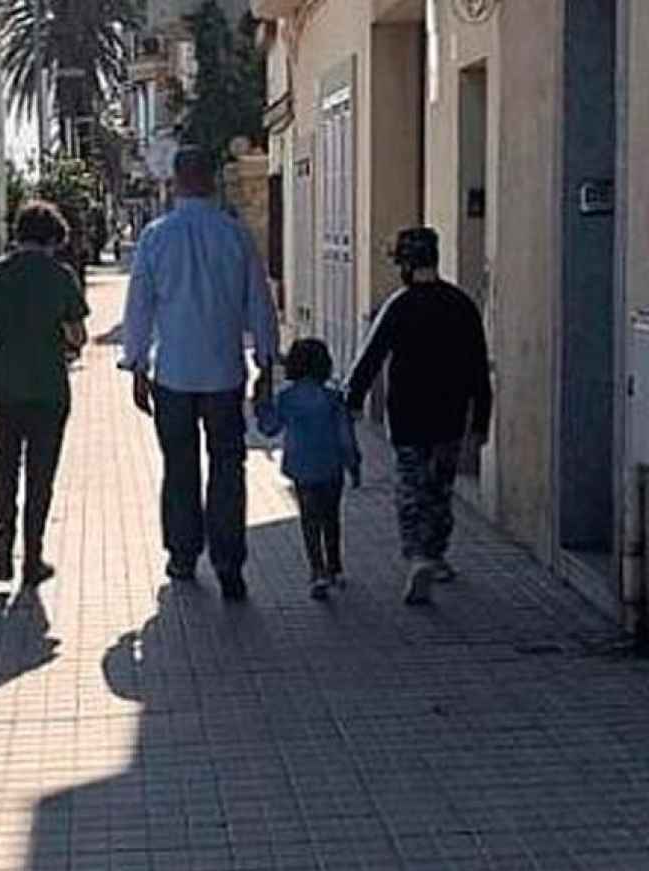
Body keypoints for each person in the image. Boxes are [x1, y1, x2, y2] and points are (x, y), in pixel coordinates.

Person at [120, 146, 279, 602]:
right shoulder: (235, 235)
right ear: (212, 180)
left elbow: (140, 307)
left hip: (173, 373)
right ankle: (229, 562)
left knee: (180, 466)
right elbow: (259, 303)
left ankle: (183, 554)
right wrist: (266, 361)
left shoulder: (156, 237)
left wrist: (136, 365)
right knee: (229, 466)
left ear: (175, 180)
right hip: (224, 373)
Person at [346, 226, 493, 606]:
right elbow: (479, 367)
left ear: (407, 266)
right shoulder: (461, 305)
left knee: (411, 488)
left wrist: (351, 399)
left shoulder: (400, 305)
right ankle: (436, 553)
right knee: (440, 488)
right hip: (451, 413)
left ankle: (417, 557)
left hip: (408, 413)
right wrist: (481, 422)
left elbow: (371, 357)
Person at [0, 201, 90, 585]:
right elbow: (77, 334)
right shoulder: (61, 275)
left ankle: (3, 541)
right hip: (49, 391)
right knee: (40, 473)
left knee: (3, 466)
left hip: (3, 388)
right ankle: (33, 557)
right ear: (53, 238)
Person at [256, 338, 362, 600]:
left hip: (301, 468)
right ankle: (335, 564)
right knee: (331, 517)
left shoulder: (286, 398)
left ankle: (317, 571)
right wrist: (354, 464)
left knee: (309, 520)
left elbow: (269, 428)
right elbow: (345, 436)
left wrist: (260, 403)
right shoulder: (333, 398)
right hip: (331, 467)